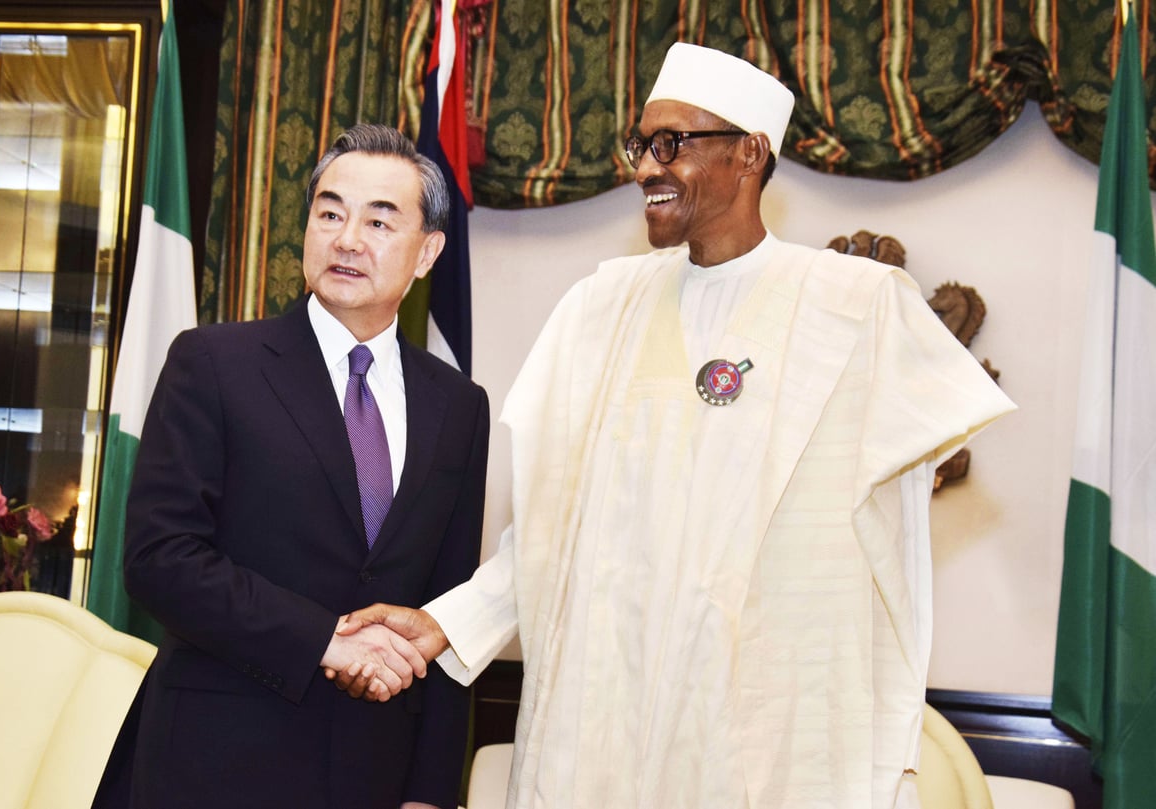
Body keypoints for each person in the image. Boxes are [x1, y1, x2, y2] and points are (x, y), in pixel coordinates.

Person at [333, 44, 1015, 808]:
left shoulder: (854, 306)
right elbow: (554, 533)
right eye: (639, 145)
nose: (645, 168)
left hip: (757, 730)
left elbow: (918, 475)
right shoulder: (601, 307)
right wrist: (442, 625)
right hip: (605, 719)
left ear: (749, 153)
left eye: (672, 144)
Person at [93, 123, 489, 809]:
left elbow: (447, 610)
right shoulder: (214, 364)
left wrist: (430, 790)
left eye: (378, 221)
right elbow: (160, 559)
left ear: (427, 253)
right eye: (329, 213)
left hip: (373, 771)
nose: (345, 239)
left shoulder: (458, 405)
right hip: (212, 763)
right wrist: (322, 643)